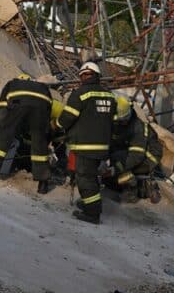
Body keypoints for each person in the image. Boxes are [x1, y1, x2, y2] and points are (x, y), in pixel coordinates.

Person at [0, 73, 54, 194]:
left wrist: (0, 129)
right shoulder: (41, 87)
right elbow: (47, 112)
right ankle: (43, 184)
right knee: (39, 142)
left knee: (2, 134)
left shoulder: (11, 85)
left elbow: (2, 111)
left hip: (20, 102)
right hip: (42, 104)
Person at [57, 61, 115, 224]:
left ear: (82, 76)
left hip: (84, 145)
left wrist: (58, 125)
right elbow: (114, 121)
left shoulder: (80, 94)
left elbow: (68, 117)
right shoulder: (109, 96)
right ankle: (92, 204)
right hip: (103, 146)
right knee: (91, 177)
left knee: (85, 179)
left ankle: (93, 213)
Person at [110, 96, 163, 204]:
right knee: (110, 177)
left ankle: (133, 190)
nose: (121, 123)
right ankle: (133, 184)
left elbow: (136, 156)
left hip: (148, 159)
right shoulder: (120, 124)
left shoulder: (138, 128)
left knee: (118, 166)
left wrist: (116, 168)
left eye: (123, 120)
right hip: (132, 154)